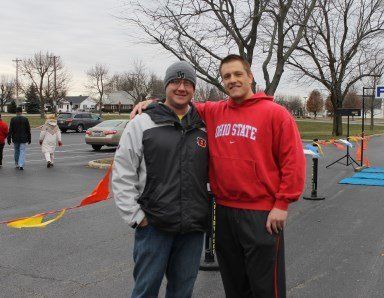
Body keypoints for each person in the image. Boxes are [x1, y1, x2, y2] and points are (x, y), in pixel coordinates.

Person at [132, 54, 306, 298]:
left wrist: (282, 203)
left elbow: (293, 162)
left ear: (250, 76)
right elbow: (180, 103)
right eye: (227, 76)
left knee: (266, 287)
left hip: (262, 212)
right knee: (234, 283)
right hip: (222, 210)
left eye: (237, 74)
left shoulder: (276, 114)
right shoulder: (214, 112)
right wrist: (153, 102)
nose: (232, 80)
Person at [112, 61, 209, 298]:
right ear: (165, 86)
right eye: (175, 82)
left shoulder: (204, 127)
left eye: (187, 83)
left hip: (193, 228)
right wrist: (137, 217)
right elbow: (123, 173)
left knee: (182, 292)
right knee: (145, 290)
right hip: (154, 226)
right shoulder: (142, 123)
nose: (181, 88)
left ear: (194, 89)